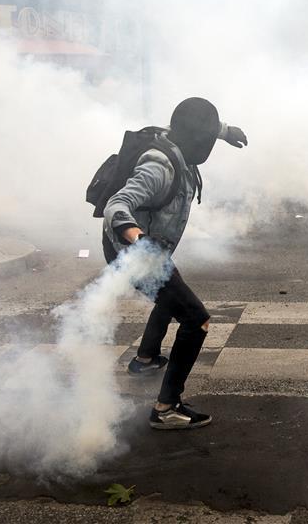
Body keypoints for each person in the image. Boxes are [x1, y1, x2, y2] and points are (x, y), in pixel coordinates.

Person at [103, 97, 247, 430]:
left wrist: (225, 131)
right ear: (194, 139)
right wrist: (138, 239)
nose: (209, 145)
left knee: (170, 300)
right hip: (135, 255)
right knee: (196, 320)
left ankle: (145, 359)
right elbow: (117, 205)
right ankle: (166, 409)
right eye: (208, 139)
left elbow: (191, 126)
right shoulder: (159, 166)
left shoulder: (175, 137)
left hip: (147, 252)